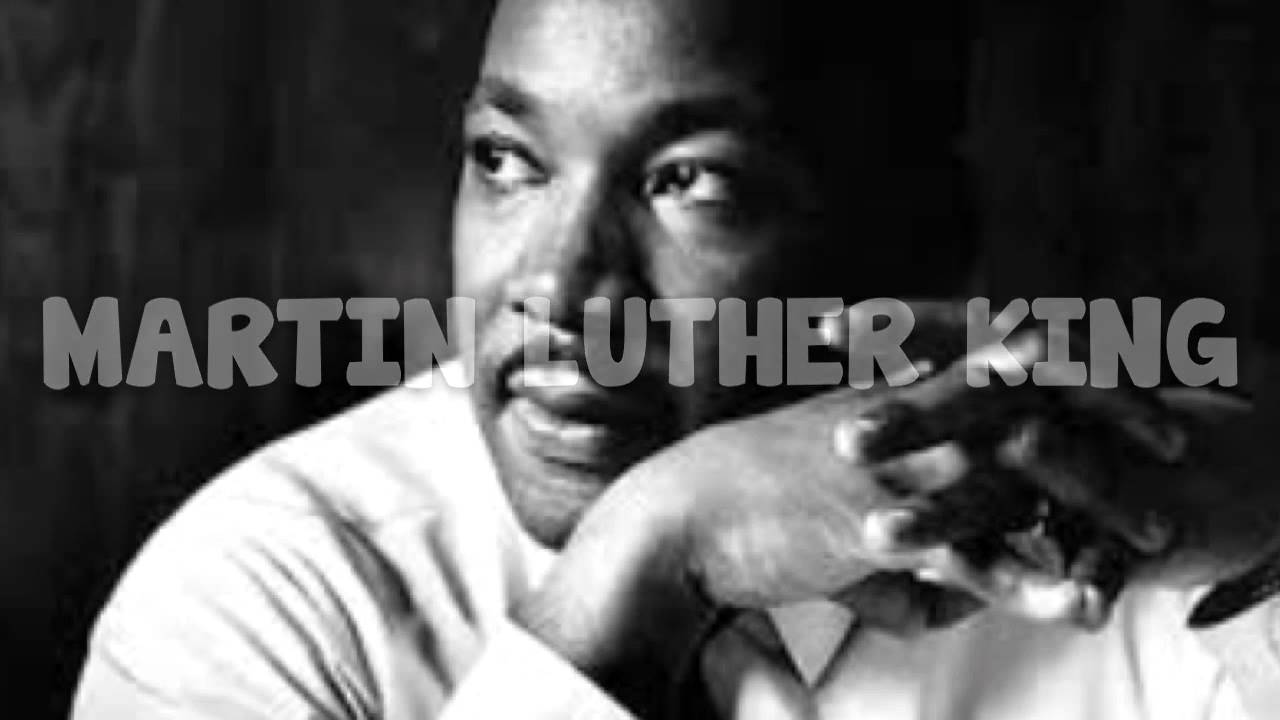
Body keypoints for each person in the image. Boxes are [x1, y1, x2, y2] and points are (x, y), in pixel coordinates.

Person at [73, 0, 1280, 718]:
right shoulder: (267, 599)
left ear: (922, 237)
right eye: (504, 160)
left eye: (687, 181)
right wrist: (634, 578)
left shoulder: (1130, 548)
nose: (556, 287)